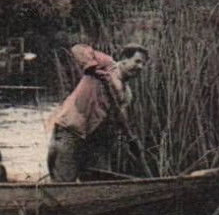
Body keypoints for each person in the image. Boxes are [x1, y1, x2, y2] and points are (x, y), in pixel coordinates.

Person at [46, 43, 148, 182]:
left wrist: (130, 141)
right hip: (70, 131)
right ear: (124, 58)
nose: (140, 67)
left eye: (143, 64)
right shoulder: (106, 64)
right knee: (63, 180)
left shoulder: (127, 94)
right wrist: (91, 66)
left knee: (97, 180)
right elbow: (78, 49)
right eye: (137, 61)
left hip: (93, 140)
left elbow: (119, 120)